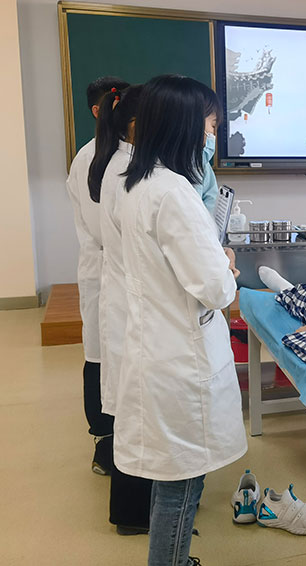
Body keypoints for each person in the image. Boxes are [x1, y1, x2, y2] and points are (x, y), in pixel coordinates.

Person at [116, 75, 246, 566]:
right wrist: (226, 265)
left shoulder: (140, 183)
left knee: (171, 475)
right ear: (186, 126)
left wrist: (213, 262)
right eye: (211, 126)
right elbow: (214, 289)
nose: (213, 137)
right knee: (183, 482)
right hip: (180, 360)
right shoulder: (174, 193)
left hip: (158, 346)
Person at [87, 84, 156, 536]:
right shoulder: (129, 173)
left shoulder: (116, 163)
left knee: (132, 413)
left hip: (125, 298)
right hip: (131, 302)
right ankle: (132, 514)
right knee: (136, 416)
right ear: (136, 124)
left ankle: (133, 510)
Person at [65, 75, 130, 475]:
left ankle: (121, 436)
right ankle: (104, 441)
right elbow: (104, 227)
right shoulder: (91, 158)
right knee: (100, 357)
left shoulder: (124, 154)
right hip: (104, 271)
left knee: (116, 355)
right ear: (99, 110)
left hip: (119, 272)